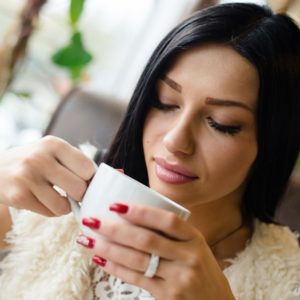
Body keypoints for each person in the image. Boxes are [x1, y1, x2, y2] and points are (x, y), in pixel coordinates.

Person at [0, 3, 300, 299]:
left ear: (275, 141)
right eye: (165, 102)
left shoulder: (288, 282)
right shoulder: (62, 190)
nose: (175, 141)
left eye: (222, 124)